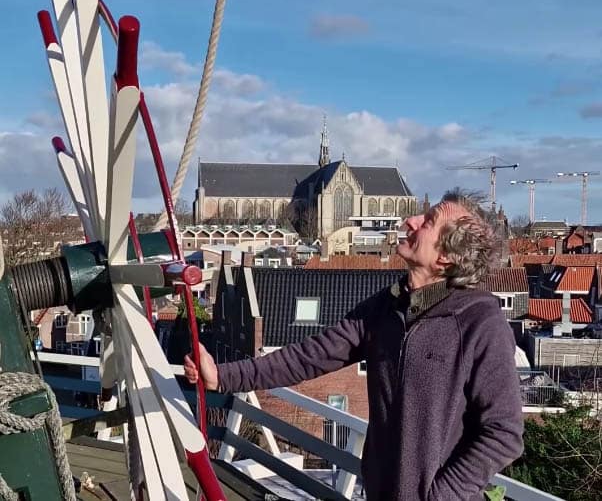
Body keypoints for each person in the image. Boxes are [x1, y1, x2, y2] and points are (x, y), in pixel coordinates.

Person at [184, 190, 524, 500]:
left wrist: (443, 495)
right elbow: (310, 356)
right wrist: (223, 376)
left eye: (428, 222)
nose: (411, 221)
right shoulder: (389, 307)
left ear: (447, 257)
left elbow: (503, 432)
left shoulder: (480, 323)